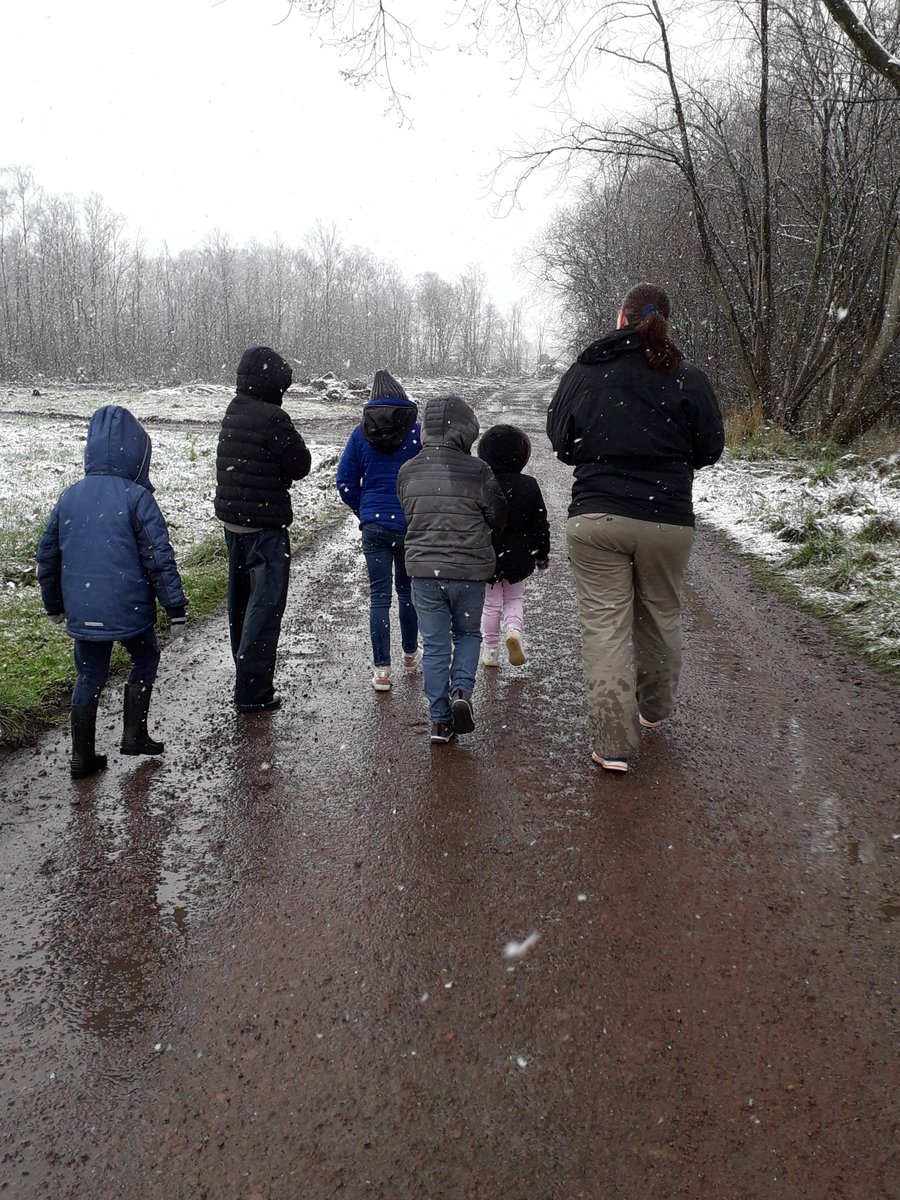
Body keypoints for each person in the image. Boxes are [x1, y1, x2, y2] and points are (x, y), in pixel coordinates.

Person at [546, 282, 725, 773]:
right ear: (665, 321)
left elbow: (560, 441)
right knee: (661, 614)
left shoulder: (586, 371)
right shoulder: (688, 377)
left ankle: (614, 743)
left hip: (597, 516)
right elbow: (710, 448)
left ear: (620, 318)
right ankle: (654, 709)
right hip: (667, 519)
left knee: (605, 627)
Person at [36, 405, 187, 779]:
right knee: (146, 655)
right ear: (137, 453)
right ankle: (134, 734)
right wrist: (175, 608)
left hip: (82, 605)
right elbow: (158, 557)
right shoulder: (136, 497)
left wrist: (53, 604)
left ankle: (82, 756)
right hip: (129, 606)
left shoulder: (69, 496)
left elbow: (48, 554)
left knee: (88, 676)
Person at [397, 394, 507, 743]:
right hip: (470, 571)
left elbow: (408, 513)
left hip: (425, 573)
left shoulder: (408, 469)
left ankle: (440, 722)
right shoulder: (479, 471)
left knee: (434, 645)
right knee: (469, 635)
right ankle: (461, 691)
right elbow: (498, 515)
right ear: (466, 429)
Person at [214, 345, 311, 713]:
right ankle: (253, 691)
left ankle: (245, 673)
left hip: (233, 523)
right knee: (265, 607)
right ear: (273, 384)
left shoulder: (233, 408)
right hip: (266, 526)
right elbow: (300, 464)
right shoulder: (274, 418)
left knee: (241, 603)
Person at [336, 370, 422, 691]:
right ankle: (411, 656)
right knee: (407, 592)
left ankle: (382, 671)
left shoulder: (360, 434)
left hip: (374, 526)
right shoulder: (416, 434)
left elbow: (344, 481)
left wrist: (364, 510)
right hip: (408, 525)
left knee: (379, 598)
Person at [476, 424, 551, 667]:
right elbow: (540, 523)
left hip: (487, 553)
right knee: (514, 599)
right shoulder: (529, 485)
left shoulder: (482, 484)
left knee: (490, 603)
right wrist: (542, 553)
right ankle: (513, 631)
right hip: (519, 553)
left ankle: (490, 651)